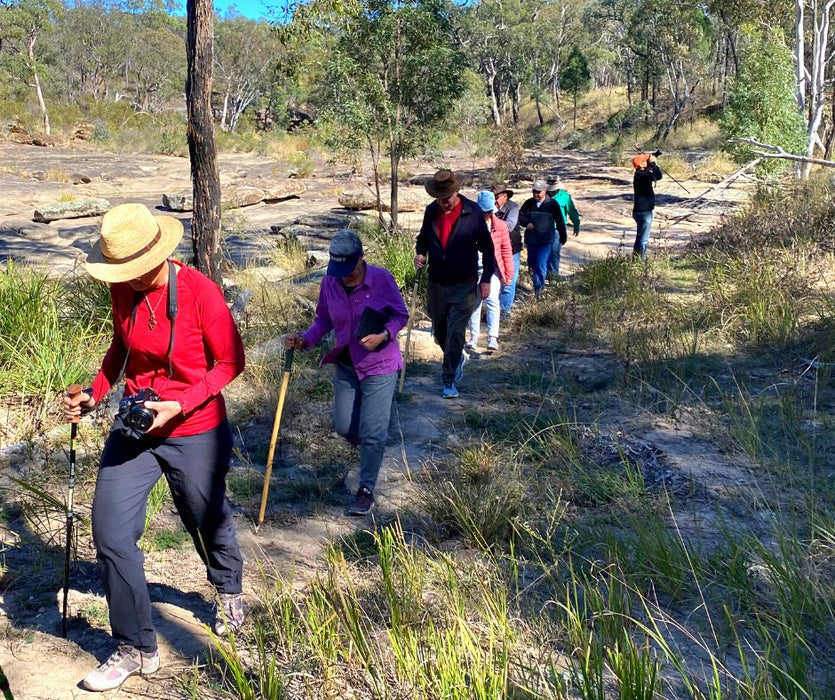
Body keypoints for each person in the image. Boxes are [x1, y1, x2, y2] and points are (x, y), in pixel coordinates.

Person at [62, 203, 246, 692]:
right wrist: (94, 393)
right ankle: (135, 648)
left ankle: (227, 588)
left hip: (195, 426)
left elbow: (230, 363)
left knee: (203, 516)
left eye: (133, 270)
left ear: (157, 254)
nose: (126, 278)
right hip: (137, 423)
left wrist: (179, 404)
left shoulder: (200, 293)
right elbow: (122, 347)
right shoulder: (123, 288)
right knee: (111, 533)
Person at [283, 230, 408, 516]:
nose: (344, 277)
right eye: (338, 271)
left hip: (379, 364)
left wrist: (384, 335)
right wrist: (305, 340)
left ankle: (366, 490)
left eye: (349, 270)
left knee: (373, 432)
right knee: (343, 426)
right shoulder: (330, 282)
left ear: (362, 258)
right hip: (346, 363)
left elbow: (401, 315)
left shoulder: (382, 280)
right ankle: (372, 448)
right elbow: (323, 319)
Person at [415, 170, 495, 399]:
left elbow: (487, 247)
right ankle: (457, 357)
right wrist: (420, 254)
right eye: (439, 198)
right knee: (439, 330)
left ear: (456, 192)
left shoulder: (473, 212)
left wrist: (487, 278)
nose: (443, 203)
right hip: (437, 281)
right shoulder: (431, 210)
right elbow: (423, 239)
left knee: (456, 332)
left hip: (465, 283)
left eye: (446, 198)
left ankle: (448, 379)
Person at [467, 190, 514, 352]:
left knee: (492, 300)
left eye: (488, 211)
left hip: (492, 269)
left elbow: (506, 250)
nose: (486, 214)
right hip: (472, 268)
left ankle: (492, 337)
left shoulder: (500, 226)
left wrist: (508, 273)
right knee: (475, 302)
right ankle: (473, 338)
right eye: (483, 211)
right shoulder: (469, 224)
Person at [518, 179, 567, 296]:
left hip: (545, 241)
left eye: (538, 192)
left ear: (544, 191)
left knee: (541, 265)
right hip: (531, 240)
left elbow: (560, 221)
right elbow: (519, 216)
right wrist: (526, 223)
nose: (536, 194)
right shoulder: (528, 203)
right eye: (534, 191)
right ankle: (536, 284)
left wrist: (563, 236)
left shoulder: (552, 204)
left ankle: (538, 291)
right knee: (532, 265)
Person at [492, 185, 523, 317]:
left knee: (509, 281)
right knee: (493, 280)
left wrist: (492, 218)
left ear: (505, 196)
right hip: (493, 250)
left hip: (511, 250)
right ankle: (492, 311)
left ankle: (505, 312)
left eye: (497, 196)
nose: (494, 199)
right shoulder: (489, 208)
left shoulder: (513, 207)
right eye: (493, 196)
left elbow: (509, 226)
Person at [545, 176, 581, 278]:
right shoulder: (542, 195)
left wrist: (576, 224)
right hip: (543, 228)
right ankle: (543, 274)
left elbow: (572, 211)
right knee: (544, 251)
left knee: (555, 252)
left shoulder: (565, 196)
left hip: (558, 228)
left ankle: (553, 276)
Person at [631, 152, 663, 259]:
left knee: (640, 238)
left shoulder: (640, 174)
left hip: (641, 211)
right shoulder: (642, 175)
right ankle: (640, 262)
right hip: (644, 213)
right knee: (643, 240)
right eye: (645, 161)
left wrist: (650, 161)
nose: (647, 162)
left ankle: (636, 260)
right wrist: (653, 164)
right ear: (640, 165)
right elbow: (658, 176)